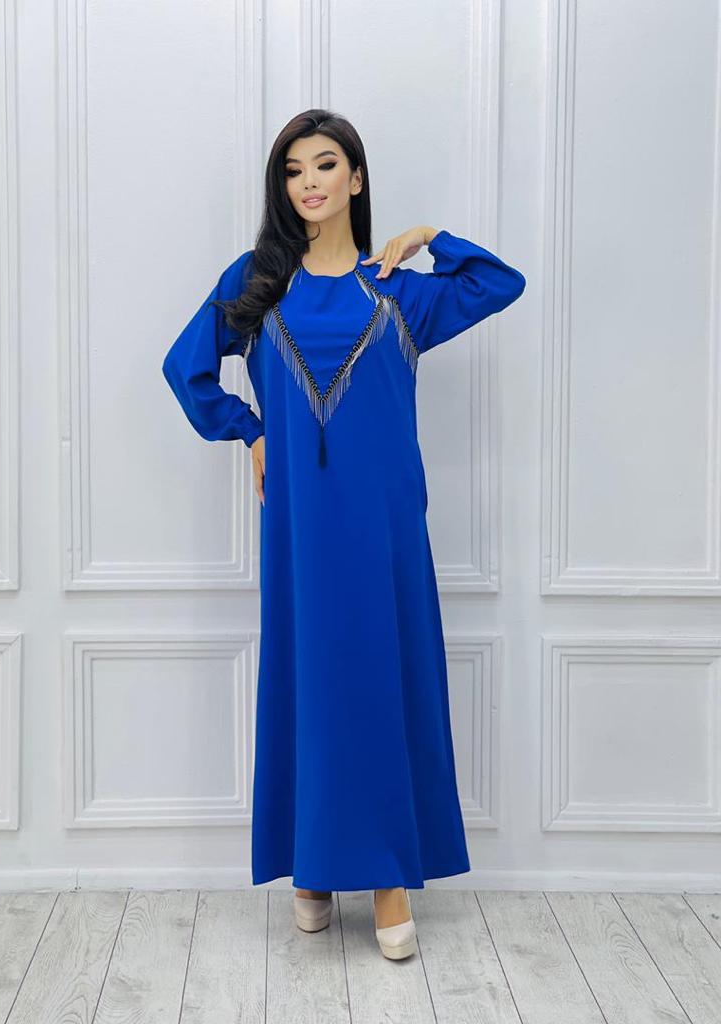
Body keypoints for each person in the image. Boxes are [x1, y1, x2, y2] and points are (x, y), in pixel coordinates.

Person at [162, 108, 526, 960]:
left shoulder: (397, 288)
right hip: (302, 524)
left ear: (356, 179)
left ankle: (389, 874)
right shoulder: (257, 281)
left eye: (326, 165)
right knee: (315, 682)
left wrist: (431, 236)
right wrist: (250, 431)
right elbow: (186, 367)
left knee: (382, 679)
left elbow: (498, 282)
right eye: (294, 170)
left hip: (386, 521)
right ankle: (315, 867)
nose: (310, 182)